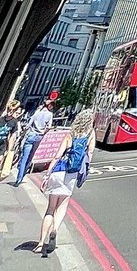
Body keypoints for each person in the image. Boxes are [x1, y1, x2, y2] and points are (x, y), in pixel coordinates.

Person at [35, 108, 95, 256]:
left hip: (59, 170)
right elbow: (90, 153)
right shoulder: (90, 134)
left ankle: (40, 243)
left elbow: (57, 156)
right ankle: (55, 230)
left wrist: (47, 174)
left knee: (50, 208)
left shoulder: (70, 134)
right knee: (62, 206)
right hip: (72, 173)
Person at [11, 97, 54, 186]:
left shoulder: (37, 112)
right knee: (30, 157)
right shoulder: (50, 115)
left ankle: (18, 179)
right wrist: (43, 133)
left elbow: (29, 124)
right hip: (39, 136)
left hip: (31, 134)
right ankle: (22, 176)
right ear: (49, 106)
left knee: (24, 157)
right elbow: (49, 127)